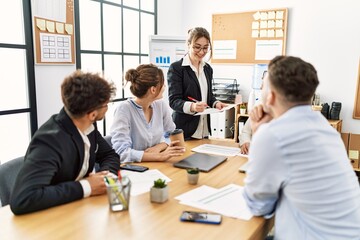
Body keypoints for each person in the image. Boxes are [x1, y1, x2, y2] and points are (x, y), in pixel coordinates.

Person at [243, 56, 360, 239]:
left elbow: (258, 206)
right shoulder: (324, 127)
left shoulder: (273, 135)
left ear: (271, 96)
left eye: (263, 86)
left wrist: (259, 132)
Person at [10, 70, 120, 215]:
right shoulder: (50, 140)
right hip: (49, 218)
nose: (107, 108)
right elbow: (23, 199)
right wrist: (86, 186)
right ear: (92, 114)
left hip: (78, 210)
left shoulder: (88, 125)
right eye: (106, 104)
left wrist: (106, 179)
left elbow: (109, 155)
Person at [110, 64, 185, 163]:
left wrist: (160, 146)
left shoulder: (160, 105)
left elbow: (172, 134)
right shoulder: (124, 109)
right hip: (134, 168)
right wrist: (158, 156)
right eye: (163, 84)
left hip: (158, 165)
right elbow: (121, 152)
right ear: (153, 90)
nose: (165, 87)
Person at [167, 27, 227, 139]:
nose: (201, 52)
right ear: (188, 44)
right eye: (197, 47)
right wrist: (192, 106)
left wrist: (215, 103)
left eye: (205, 48)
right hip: (184, 131)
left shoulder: (207, 68)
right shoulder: (177, 68)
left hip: (204, 130)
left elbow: (208, 96)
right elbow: (174, 101)